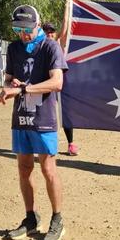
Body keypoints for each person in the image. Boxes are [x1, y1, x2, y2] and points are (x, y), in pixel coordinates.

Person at [0, 5, 69, 240]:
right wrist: (9, 86)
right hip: (20, 117)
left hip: (44, 118)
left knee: (48, 169)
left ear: (37, 25)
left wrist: (25, 88)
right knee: (24, 168)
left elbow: (57, 82)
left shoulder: (50, 46)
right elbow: (8, 79)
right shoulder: (15, 48)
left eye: (26, 29)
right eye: (18, 29)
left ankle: (57, 220)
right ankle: (31, 218)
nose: (22, 34)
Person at [42, 22, 78, 156]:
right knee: (46, 114)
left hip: (61, 84)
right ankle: (45, 144)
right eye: (46, 32)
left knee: (66, 114)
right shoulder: (40, 46)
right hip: (46, 84)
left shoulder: (58, 44)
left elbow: (64, 30)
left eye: (51, 31)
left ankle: (71, 144)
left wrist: (68, 8)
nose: (49, 34)